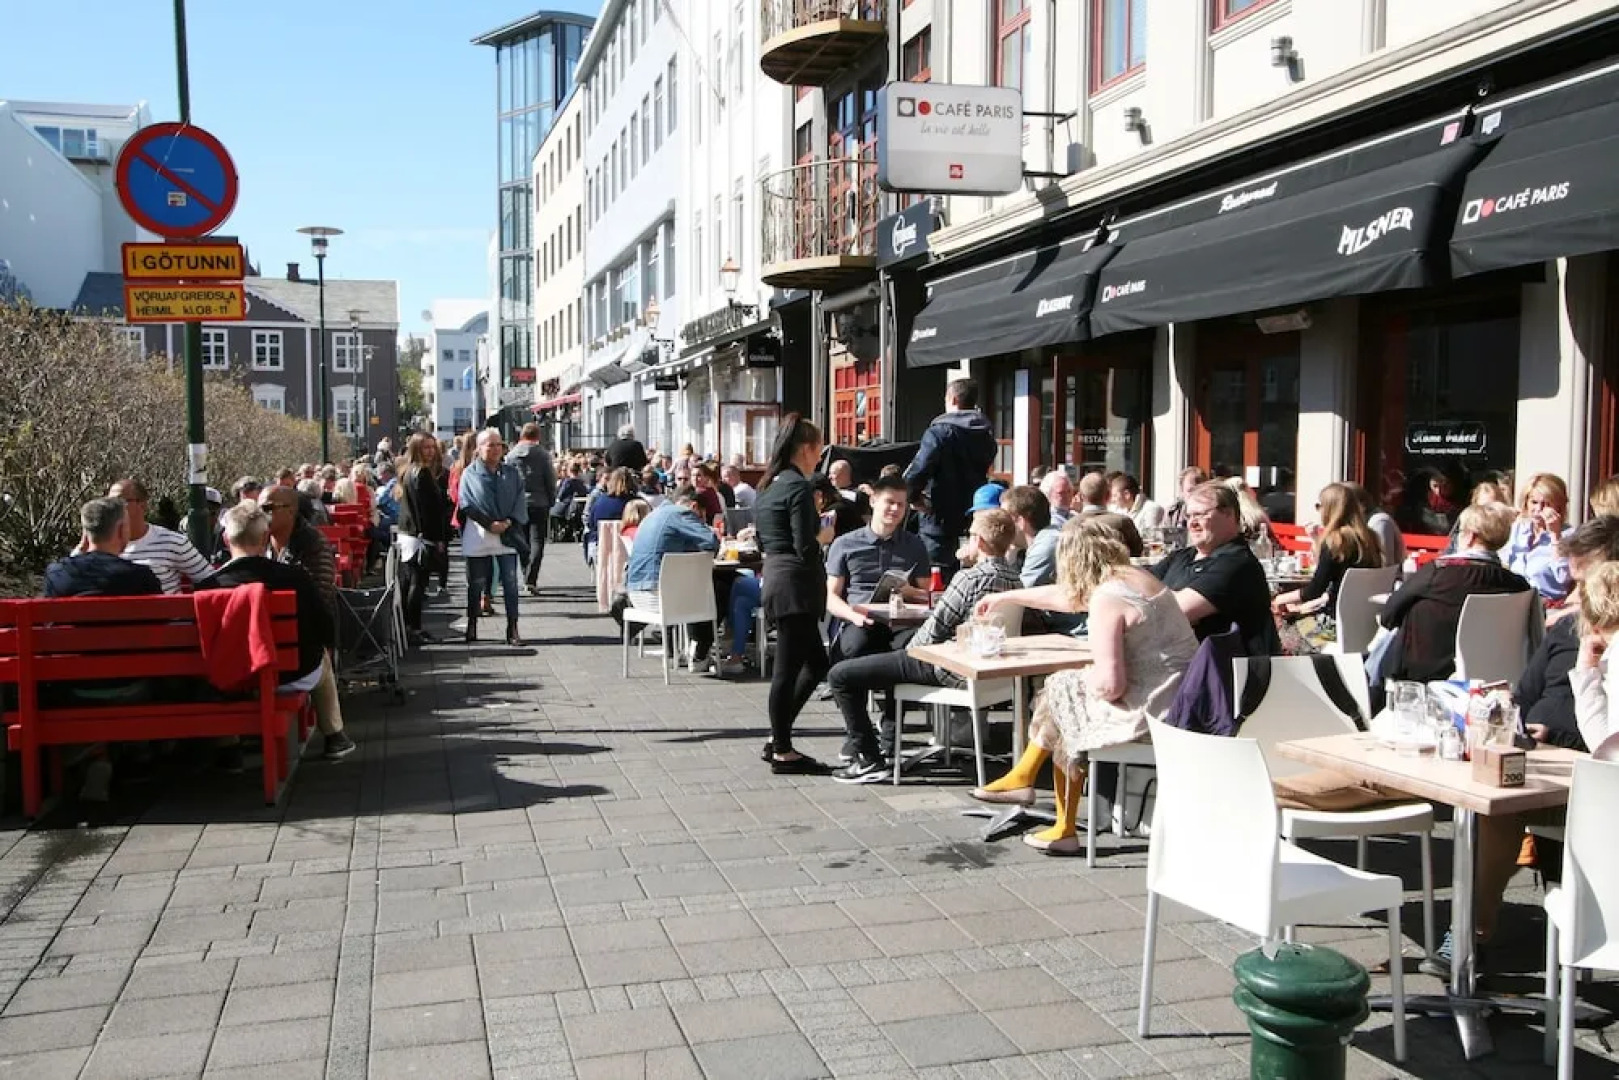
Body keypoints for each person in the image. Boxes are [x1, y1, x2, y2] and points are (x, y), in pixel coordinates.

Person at [972, 523, 1198, 853]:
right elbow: (1068, 597)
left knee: (1064, 694)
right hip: (1180, 697)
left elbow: (1111, 685)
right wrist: (1006, 596)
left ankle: (1055, 816)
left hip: (1153, 713)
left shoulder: (1108, 598)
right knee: (1066, 690)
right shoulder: (1135, 577)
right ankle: (1027, 781)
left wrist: (1082, 679)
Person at [827, 510, 1023, 782]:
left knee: (841, 675)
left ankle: (868, 758)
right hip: (992, 672)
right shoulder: (1015, 579)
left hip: (950, 666)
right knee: (893, 663)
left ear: (978, 541)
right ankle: (888, 743)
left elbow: (935, 627)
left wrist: (907, 654)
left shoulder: (969, 578)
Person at [199, 504, 356, 759]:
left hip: (232, 680)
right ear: (265, 537)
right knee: (322, 659)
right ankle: (334, 736)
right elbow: (323, 627)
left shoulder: (208, 587)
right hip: (292, 675)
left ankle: (228, 748)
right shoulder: (295, 577)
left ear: (227, 540)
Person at [754, 415, 834, 774]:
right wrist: (824, 535)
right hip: (796, 585)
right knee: (787, 671)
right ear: (806, 449)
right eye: (819, 449)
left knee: (816, 664)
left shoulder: (768, 485)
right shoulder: (798, 487)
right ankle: (782, 749)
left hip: (776, 577)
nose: (820, 457)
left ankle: (778, 736)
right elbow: (805, 545)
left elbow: (764, 538)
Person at [1376, 502, 1527, 687]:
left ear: (1470, 537)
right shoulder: (1517, 585)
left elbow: (1388, 615)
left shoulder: (1436, 573)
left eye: (1459, 532)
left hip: (1424, 676)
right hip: (1493, 676)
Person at [1149, 482, 1280, 656]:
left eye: (1200, 514)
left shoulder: (1237, 564)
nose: (1192, 523)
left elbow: (1176, 611)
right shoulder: (1181, 556)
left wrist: (1153, 596)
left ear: (1228, 514)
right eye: (1189, 516)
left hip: (1220, 669)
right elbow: (1131, 590)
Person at [824, 476, 932, 663]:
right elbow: (830, 596)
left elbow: (929, 596)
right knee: (856, 646)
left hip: (901, 622)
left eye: (900, 504)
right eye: (889, 502)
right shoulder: (844, 544)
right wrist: (852, 615)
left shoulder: (915, 545)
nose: (895, 509)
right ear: (873, 501)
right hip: (860, 618)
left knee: (918, 648)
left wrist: (911, 592)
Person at [1270, 482, 1384, 653]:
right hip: (1366, 626)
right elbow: (1336, 590)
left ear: (1330, 508)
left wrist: (1279, 599)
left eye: (1319, 505)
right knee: (1298, 615)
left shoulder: (1335, 542)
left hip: (1332, 628)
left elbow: (1314, 590)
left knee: (1285, 630)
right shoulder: (1371, 539)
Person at [903, 378, 997, 579]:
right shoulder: (985, 434)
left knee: (936, 576)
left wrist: (913, 497)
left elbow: (919, 469)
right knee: (972, 573)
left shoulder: (939, 432)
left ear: (953, 399)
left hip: (939, 516)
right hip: (973, 512)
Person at [625, 486, 722, 668]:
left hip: (636, 594)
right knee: (719, 586)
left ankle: (695, 649)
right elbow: (711, 542)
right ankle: (700, 653)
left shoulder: (653, 514)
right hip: (660, 596)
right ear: (694, 506)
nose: (701, 521)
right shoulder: (681, 514)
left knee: (700, 586)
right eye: (701, 517)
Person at [458, 428, 529, 646]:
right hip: (479, 534)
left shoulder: (511, 473)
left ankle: (513, 628)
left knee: (510, 583)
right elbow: (466, 503)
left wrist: (508, 522)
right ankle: (472, 624)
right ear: (479, 448)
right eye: (491, 445)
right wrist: (489, 523)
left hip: (507, 534)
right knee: (476, 583)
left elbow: (520, 500)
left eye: (499, 444)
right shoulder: (469, 474)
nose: (496, 449)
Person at [106, 479, 214, 594]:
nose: (112, 508)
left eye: (120, 501)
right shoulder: (102, 545)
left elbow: (210, 580)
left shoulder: (172, 542)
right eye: (109, 502)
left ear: (142, 505)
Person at [45, 498, 162, 598]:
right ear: (121, 529)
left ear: (85, 533)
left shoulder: (57, 574)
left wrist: (80, 549)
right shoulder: (141, 577)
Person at [395, 433, 450, 646]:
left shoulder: (408, 471)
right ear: (416, 449)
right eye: (426, 447)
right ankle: (414, 628)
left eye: (432, 447)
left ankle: (411, 626)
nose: (431, 451)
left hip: (409, 534)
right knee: (417, 583)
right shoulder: (422, 473)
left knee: (413, 582)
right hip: (420, 536)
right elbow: (428, 510)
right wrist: (437, 538)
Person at [505, 422, 558, 596]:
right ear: (538, 436)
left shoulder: (511, 455)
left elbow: (507, 481)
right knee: (537, 541)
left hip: (518, 503)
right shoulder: (543, 455)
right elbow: (550, 479)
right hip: (540, 501)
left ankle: (525, 573)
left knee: (522, 541)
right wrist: (551, 499)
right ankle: (531, 578)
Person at [1504, 472, 1573, 604]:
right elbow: (1503, 563)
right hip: (1515, 600)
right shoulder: (1518, 529)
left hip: (1548, 604)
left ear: (1559, 507)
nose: (1538, 509)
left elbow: (1563, 578)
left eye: (1547, 504)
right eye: (1534, 502)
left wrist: (1555, 536)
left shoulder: (1569, 535)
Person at [1001, 485, 1062, 588]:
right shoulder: (1049, 537)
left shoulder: (1045, 546)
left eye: (1004, 518)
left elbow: (1020, 592)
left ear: (1020, 521)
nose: (1001, 525)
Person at [585, 467, 640, 562]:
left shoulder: (600, 502)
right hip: (628, 549)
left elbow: (590, 524)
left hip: (600, 549)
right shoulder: (636, 503)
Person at [1163, 466, 1209, 531]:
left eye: (1200, 490)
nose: (1195, 495)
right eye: (1190, 491)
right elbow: (1164, 536)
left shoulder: (1211, 514)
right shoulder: (1172, 513)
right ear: (1182, 491)